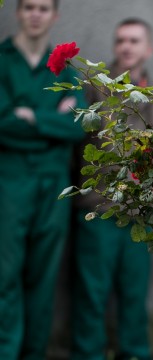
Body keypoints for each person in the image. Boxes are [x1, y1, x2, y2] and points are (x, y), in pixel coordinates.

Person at [70, 18, 153, 360]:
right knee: (91, 293)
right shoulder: (94, 87)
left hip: (140, 213)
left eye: (134, 41)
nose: (126, 46)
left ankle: (134, 352)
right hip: (98, 206)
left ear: (148, 48)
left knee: (134, 293)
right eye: (121, 40)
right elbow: (77, 143)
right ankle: (87, 354)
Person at [0, 0, 86, 358]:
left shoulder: (65, 69)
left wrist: (29, 117)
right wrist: (50, 118)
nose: (36, 14)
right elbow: (2, 124)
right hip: (10, 179)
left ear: (55, 15)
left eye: (44, 7)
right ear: (17, 12)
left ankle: (33, 352)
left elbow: (76, 125)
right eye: (29, 6)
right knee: (5, 274)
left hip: (54, 183)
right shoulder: (2, 61)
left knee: (44, 274)